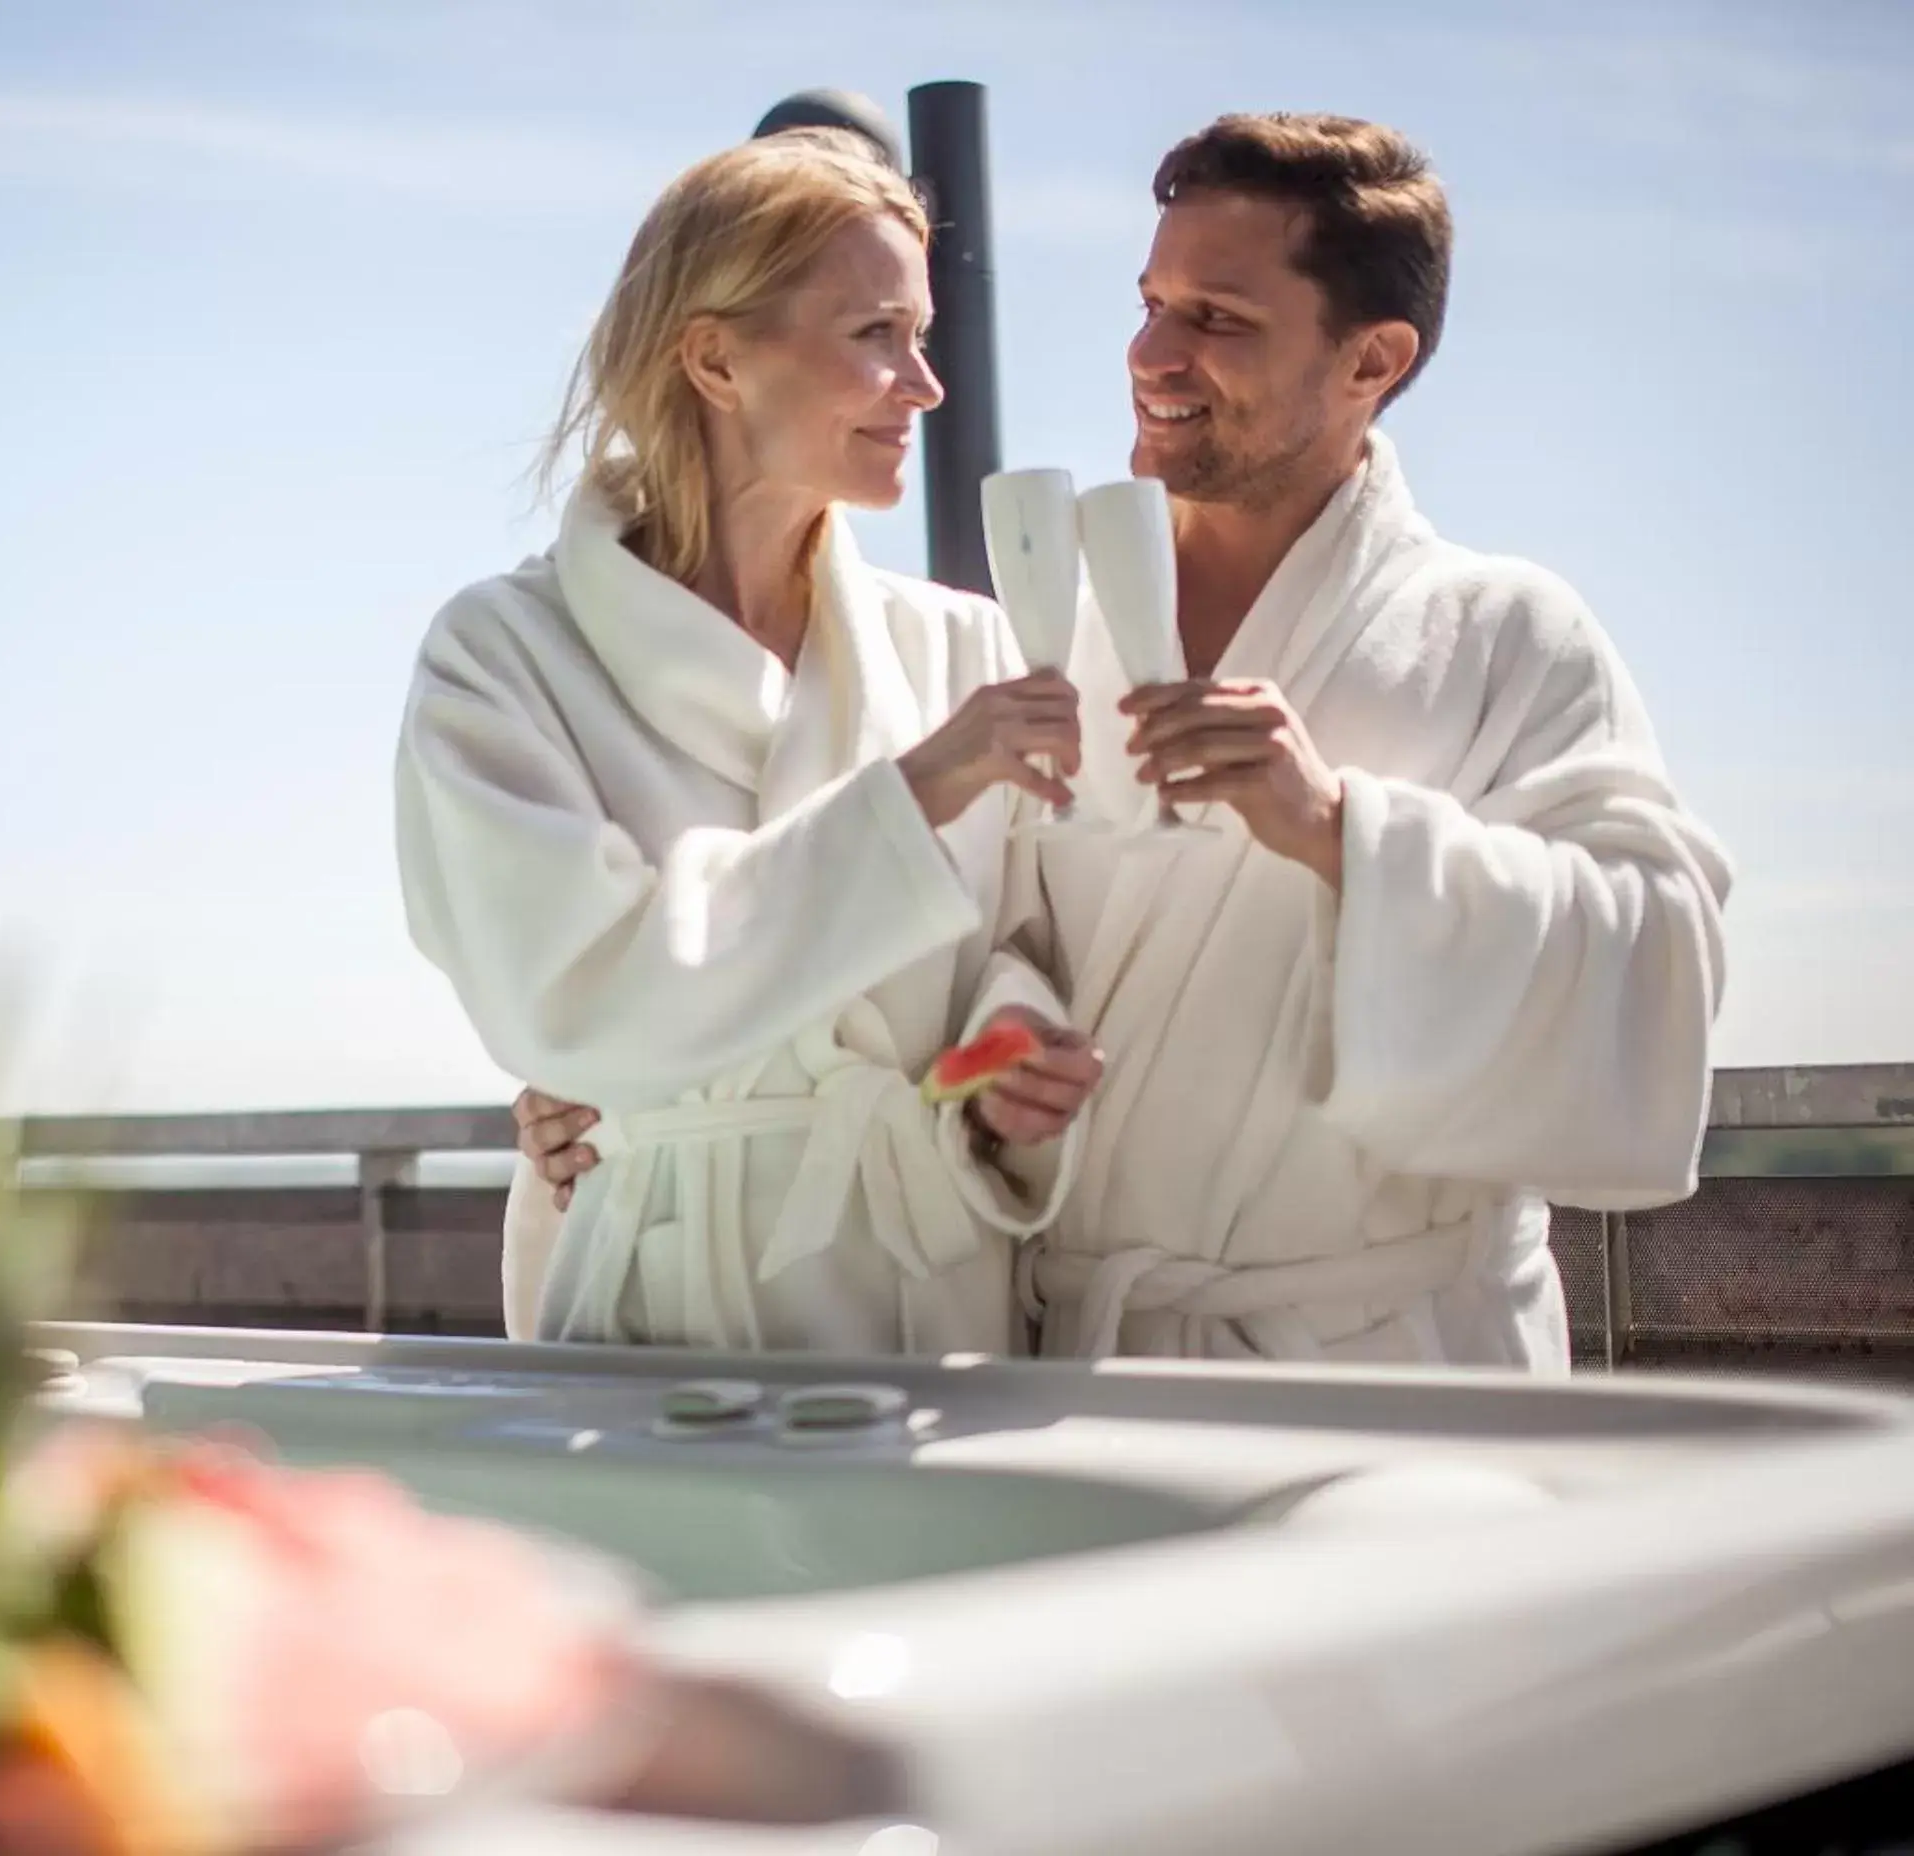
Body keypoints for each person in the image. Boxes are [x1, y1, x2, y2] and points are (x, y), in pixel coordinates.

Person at [512, 113, 1731, 1371]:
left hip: (1391, 1359)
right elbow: (940, 956)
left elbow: (1656, 976)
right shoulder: (1038, 652)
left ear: (1373, 360)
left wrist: (1342, 835)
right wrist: (631, 1083)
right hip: (1081, 1364)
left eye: (1219, 319)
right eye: (1151, 302)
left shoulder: (1501, 634)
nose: (1153, 352)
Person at [392, 129, 1107, 1354]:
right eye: (877, 335)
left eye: (924, 335)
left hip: (932, 1313)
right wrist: (919, 787)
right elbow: (576, 995)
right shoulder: (502, 657)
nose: (925, 386)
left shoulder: (963, 650)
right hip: (662, 1319)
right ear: (716, 359)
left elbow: (1031, 938)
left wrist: (1011, 1068)